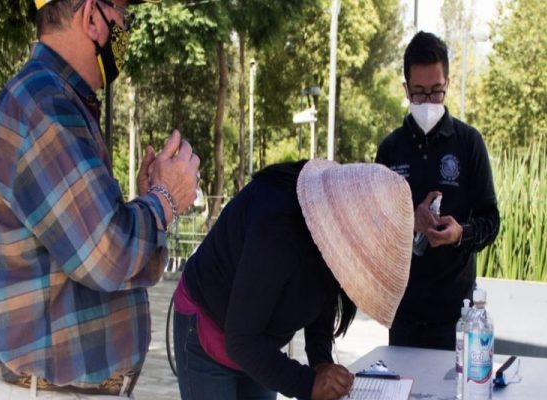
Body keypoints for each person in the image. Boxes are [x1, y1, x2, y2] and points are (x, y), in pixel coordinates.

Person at [0, 0, 200, 398]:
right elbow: (108, 254)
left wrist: (148, 201)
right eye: (122, 15)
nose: (125, 30)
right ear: (92, 17)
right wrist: (165, 199)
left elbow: (106, 252)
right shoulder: (44, 105)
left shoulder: (56, 100)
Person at [173, 160, 415, 400]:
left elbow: (323, 293)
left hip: (258, 346)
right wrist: (309, 384)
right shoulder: (276, 224)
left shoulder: (327, 231)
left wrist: (321, 362)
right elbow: (241, 340)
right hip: (210, 331)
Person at [375, 31, 500, 351]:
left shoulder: (469, 143)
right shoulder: (390, 149)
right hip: (404, 316)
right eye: (418, 93)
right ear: (406, 89)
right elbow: (376, 230)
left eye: (436, 93)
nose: (427, 102)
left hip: (458, 317)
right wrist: (408, 221)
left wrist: (461, 234)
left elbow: (491, 221)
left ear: (447, 84)